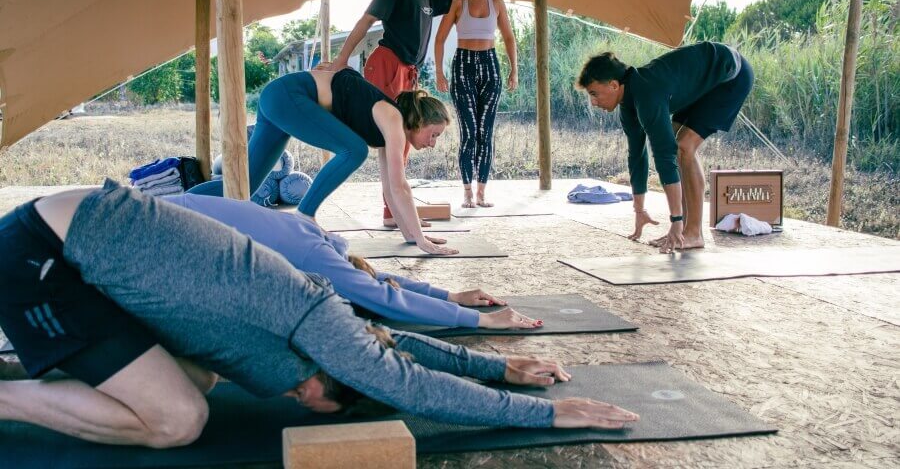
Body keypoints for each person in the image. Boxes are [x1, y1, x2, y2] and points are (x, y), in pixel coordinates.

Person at [0, 183, 639, 446]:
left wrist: (495, 370)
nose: (301, 401)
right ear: (335, 375)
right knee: (178, 418)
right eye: (318, 401)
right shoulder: (317, 318)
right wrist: (546, 412)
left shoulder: (315, 331)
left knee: (195, 379)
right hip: (44, 255)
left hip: (78, 249)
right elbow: (401, 378)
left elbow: (394, 349)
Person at [328, 0, 529, 223]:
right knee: (391, 140)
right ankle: (394, 212)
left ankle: (393, 212)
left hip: (409, 71)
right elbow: (366, 20)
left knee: (404, 141)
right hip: (387, 63)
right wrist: (341, 60)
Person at [165, 193, 543, 330]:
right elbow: (384, 296)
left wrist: (451, 295)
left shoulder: (315, 239)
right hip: (159, 225)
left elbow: (378, 279)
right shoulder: (317, 254)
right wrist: (482, 319)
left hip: (167, 219)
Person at [188, 67, 458, 255]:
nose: (433, 143)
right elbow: (401, 187)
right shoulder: (394, 120)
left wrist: (410, 234)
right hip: (288, 96)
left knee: (244, 185)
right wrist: (422, 239)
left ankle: (172, 205)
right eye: (433, 134)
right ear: (419, 121)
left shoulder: (390, 131)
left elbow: (390, 189)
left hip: (279, 99)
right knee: (354, 150)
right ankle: (305, 215)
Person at [575, 42, 754, 253]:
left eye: (594, 93)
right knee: (674, 137)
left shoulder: (647, 93)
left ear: (614, 85)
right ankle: (685, 230)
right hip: (702, 82)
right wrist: (639, 210)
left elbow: (664, 155)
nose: (593, 102)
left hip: (731, 75)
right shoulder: (629, 104)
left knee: (683, 147)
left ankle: (693, 233)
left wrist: (675, 220)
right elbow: (637, 156)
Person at [434, 0, 518, 208]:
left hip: (490, 65)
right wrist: (439, 71)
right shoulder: (458, 2)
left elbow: (509, 37)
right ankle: (467, 192)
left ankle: (482, 192)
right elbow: (440, 38)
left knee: (486, 132)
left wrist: (514, 69)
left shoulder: (498, 2)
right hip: (463, 66)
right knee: (469, 133)